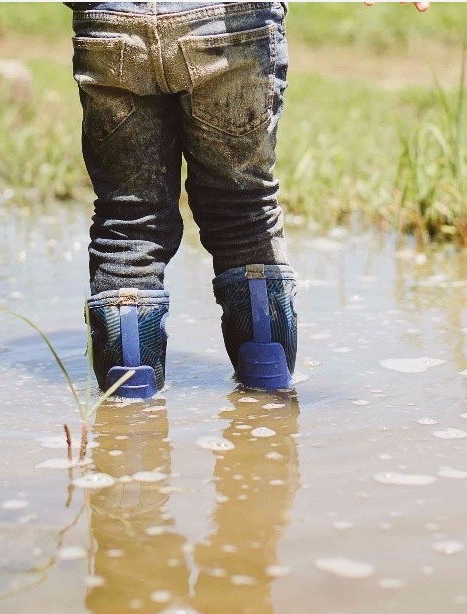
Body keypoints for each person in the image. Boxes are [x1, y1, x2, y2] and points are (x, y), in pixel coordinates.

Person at [70, 2, 298, 397]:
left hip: (113, 20)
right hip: (230, 20)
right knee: (243, 214)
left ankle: (129, 420)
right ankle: (268, 406)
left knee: (129, 222)